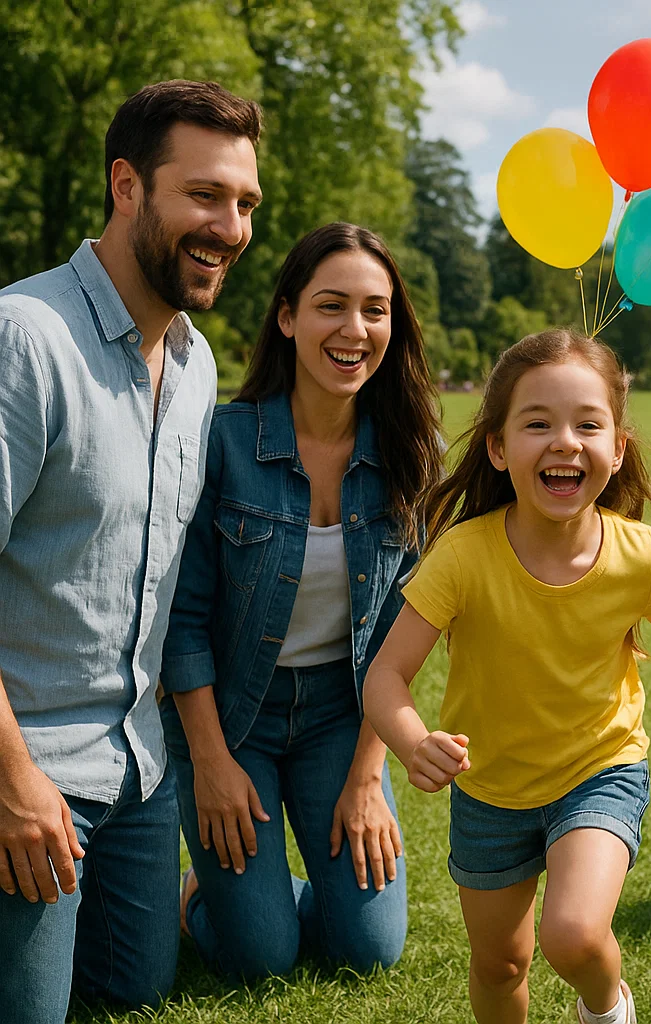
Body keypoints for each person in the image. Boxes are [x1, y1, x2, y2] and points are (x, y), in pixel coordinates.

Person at [362, 329, 651, 1024]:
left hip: (599, 768)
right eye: (537, 423)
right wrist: (410, 738)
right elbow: (387, 676)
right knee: (500, 964)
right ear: (497, 446)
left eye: (588, 424)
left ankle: (608, 1007)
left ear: (617, 448)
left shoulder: (640, 555)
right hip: (489, 789)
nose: (564, 442)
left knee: (573, 935)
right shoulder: (463, 557)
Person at [0, 80, 262, 1021]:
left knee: (137, 991)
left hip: (140, 772)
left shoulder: (196, 365)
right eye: (203, 196)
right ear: (126, 187)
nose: (228, 227)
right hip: (25, 766)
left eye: (243, 204)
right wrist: (14, 782)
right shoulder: (24, 339)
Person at [158, 223, 440, 980]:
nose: (355, 330)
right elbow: (180, 620)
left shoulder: (411, 455)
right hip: (231, 717)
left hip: (341, 717)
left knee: (368, 952)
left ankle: (298, 896)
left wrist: (365, 781)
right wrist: (211, 762)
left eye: (375, 310)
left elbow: (396, 638)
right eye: (331, 306)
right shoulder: (224, 441)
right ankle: (204, 895)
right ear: (287, 316)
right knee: (261, 957)